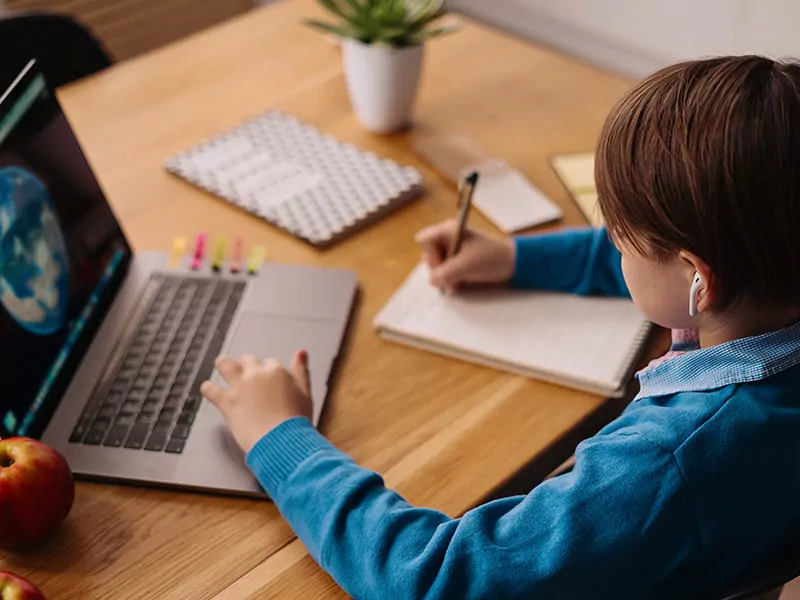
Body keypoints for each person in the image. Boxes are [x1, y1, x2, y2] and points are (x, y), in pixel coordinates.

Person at [200, 56, 800, 599]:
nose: (611, 246)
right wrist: (518, 259)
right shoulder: (771, 278)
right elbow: (679, 263)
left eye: (620, 240)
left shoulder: (665, 464)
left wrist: (279, 438)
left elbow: (434, 580)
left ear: (700, 279)